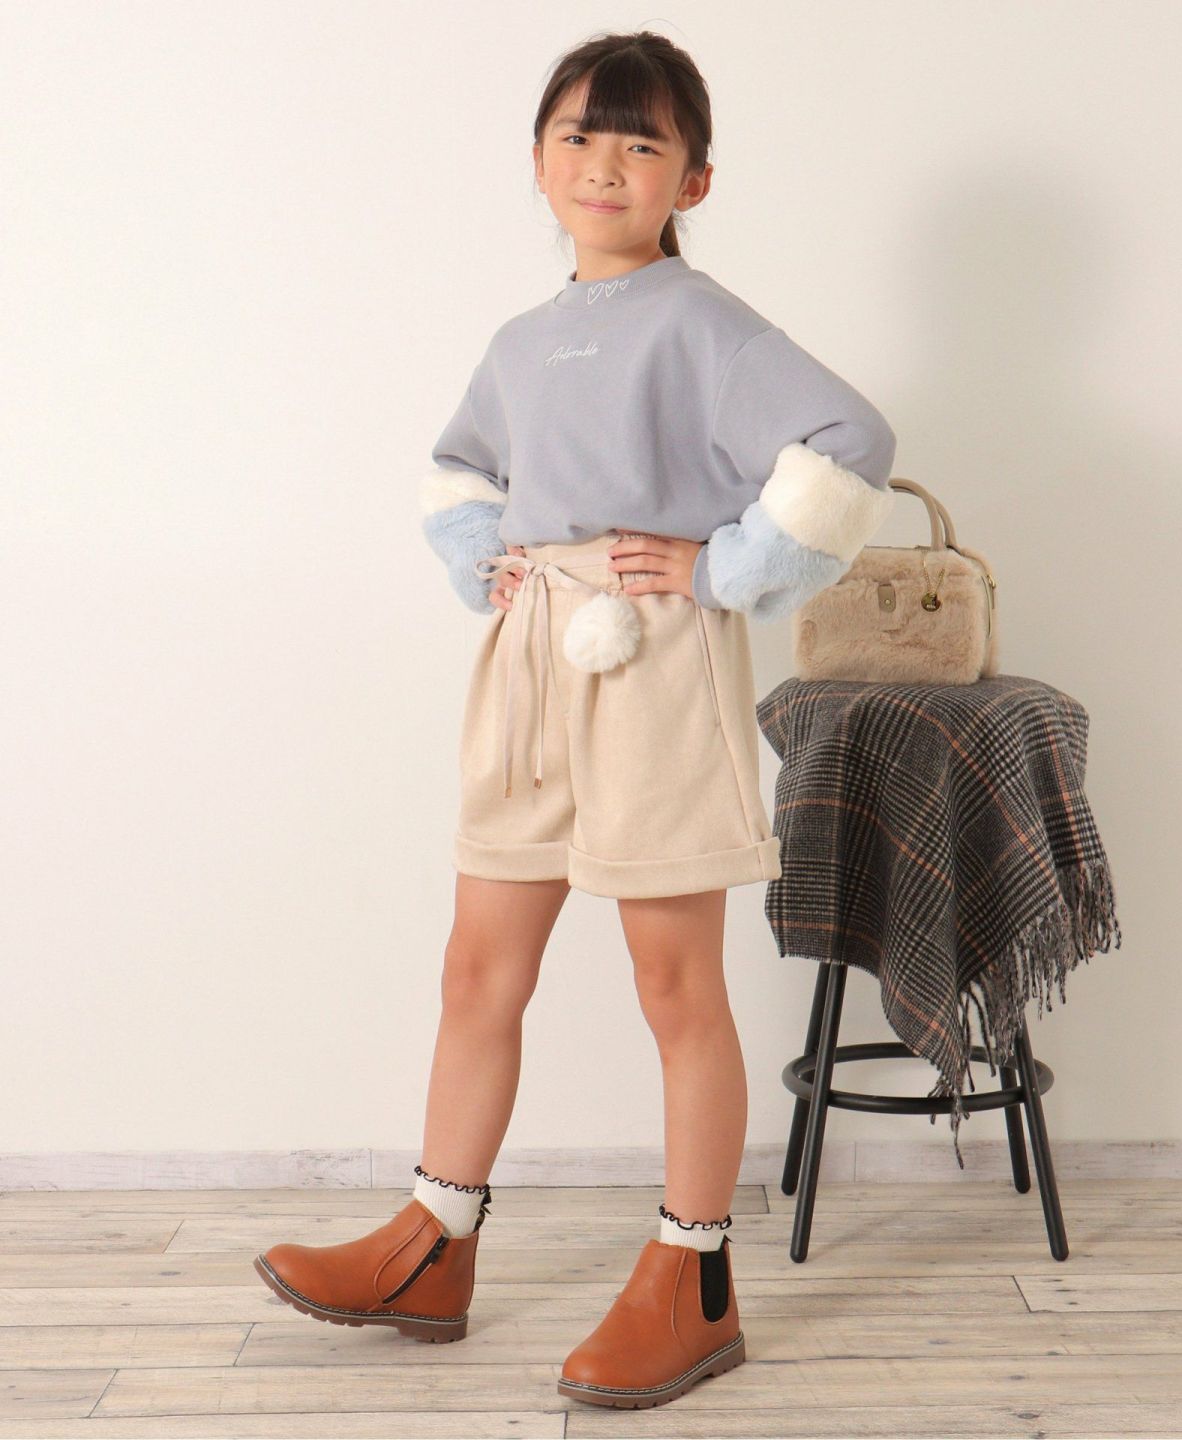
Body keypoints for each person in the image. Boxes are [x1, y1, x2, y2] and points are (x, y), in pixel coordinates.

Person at [254, 28, 896, 1408]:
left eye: (642, 142)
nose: (606, 163)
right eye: (579, 136)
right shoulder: (521, 341)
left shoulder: (706, 324)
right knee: (477, 967)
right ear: (539, 161)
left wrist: (725, 570)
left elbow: (852, 443)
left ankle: (693, 1279)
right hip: (533, 656)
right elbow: (458, 467)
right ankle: (434, 1241)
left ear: (694, 180)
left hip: (653, 660)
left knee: (674, 984)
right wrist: (481, 556)